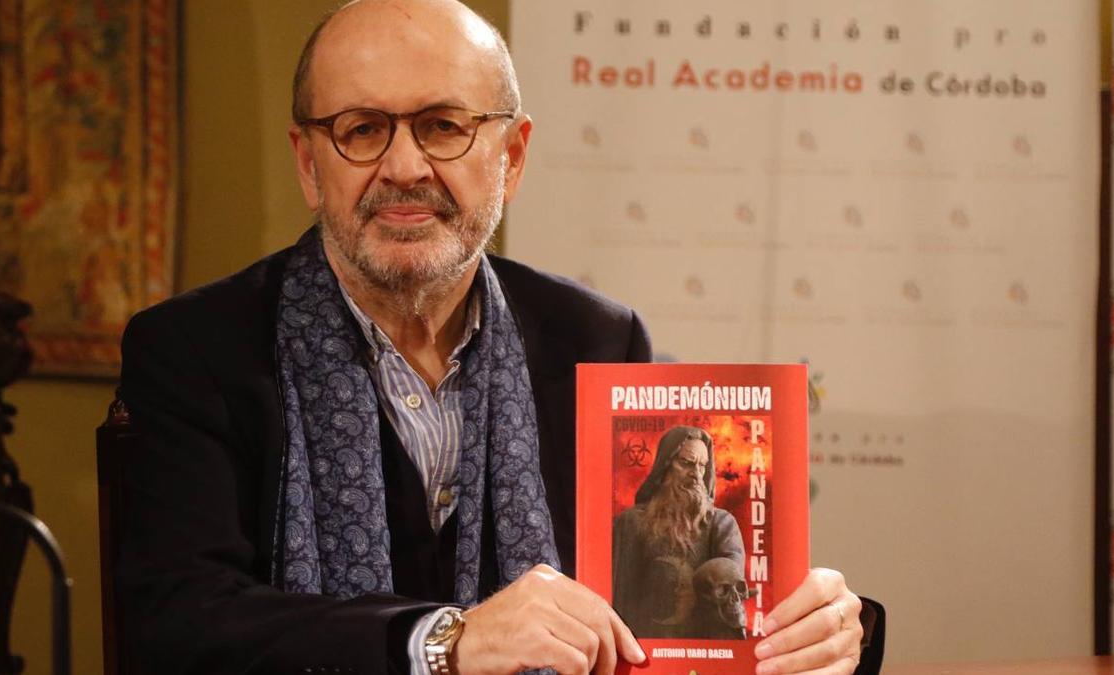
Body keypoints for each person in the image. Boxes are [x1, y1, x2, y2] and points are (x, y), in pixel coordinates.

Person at [117, 1, 870, 673]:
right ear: (310, 165)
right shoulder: (192, 350)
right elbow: (175, 623)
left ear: (510, 158)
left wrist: (829, 631)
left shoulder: (596, 338)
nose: (404, 166)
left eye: (444, 126)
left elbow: (652, 626)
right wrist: (443, 641)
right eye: (362, 130)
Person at [612, 426, 745, 639]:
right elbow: (618, 599)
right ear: (666, 464)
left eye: (702, 466)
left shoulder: (722, 524)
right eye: (686, 463)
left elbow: (730, 598)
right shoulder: (630, 523)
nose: (696, 474)